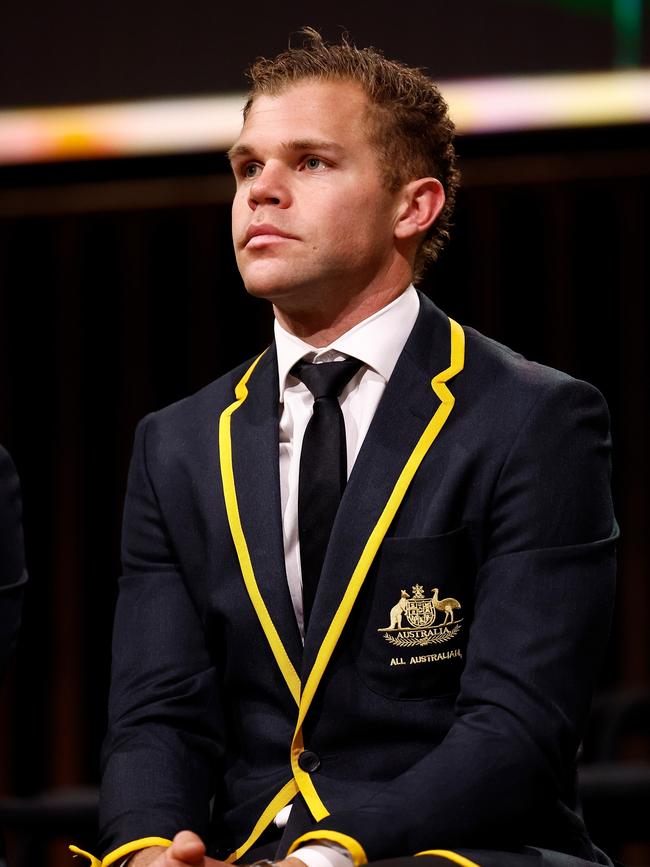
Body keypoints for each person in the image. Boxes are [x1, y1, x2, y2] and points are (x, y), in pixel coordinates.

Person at [74, 29, 617, 867]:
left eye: (311, 163)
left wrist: (329, 855)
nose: (263, 192)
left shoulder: (534, 418)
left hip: (459, 850)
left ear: (414, 206)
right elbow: (158, 714)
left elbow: (517, 729)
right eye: (248, 167)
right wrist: (151, 850)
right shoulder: (176, 443)